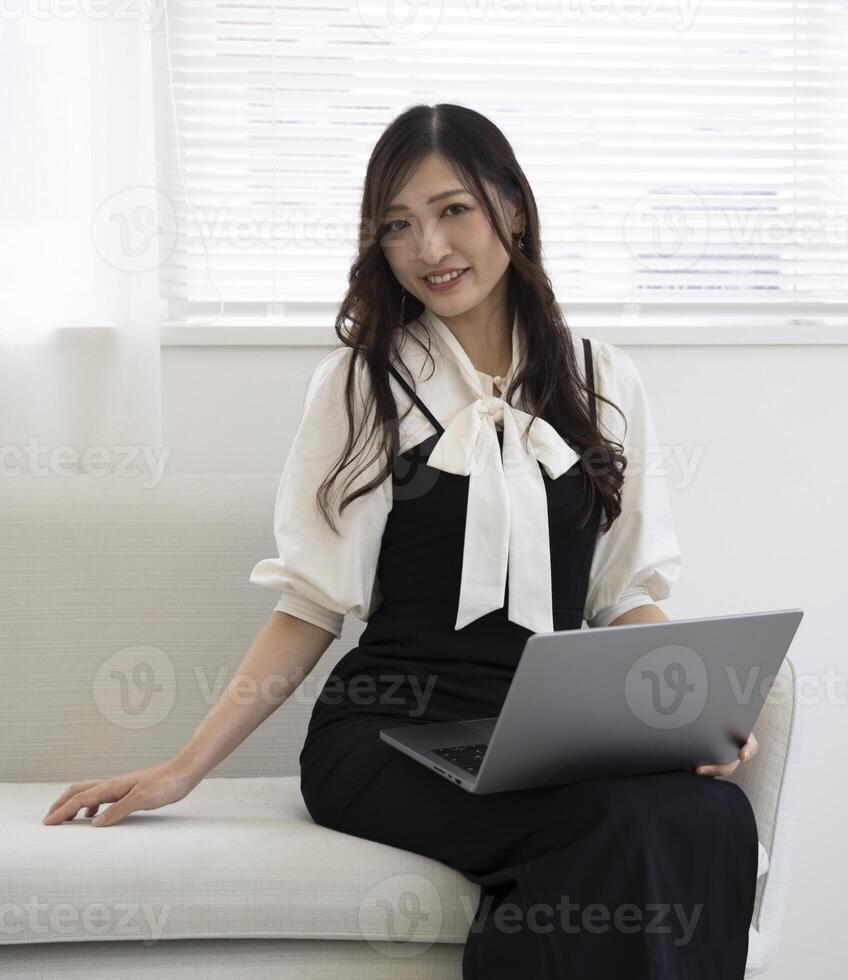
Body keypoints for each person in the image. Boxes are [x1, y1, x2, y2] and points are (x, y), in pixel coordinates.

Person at [41, 103, 761, 979]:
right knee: (602, 824)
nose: (429, 249)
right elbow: (309, 605)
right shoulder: (362, 384)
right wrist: (182, 769)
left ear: (514, 208)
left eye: (453, 210)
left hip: (544, 732)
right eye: (398, 226)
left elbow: (622, 595)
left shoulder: (603, 377)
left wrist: (695, 711)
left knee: (711, 817)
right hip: (387, 732)